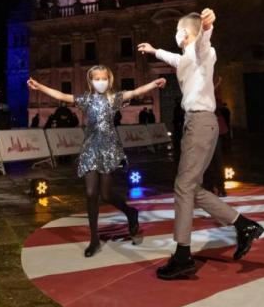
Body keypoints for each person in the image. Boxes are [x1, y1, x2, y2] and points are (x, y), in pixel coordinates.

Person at [138, 9, 264, 280]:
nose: (174, 34)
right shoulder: (185, 59)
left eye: (176, 30)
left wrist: (207, 27)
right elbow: (174, 59)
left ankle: (183, 257)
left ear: (184, 33)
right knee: (193, 188)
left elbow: (203, 44)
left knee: (183, 186)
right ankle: (244, 225)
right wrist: (153, 50)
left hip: (200, 122)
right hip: (197, 125)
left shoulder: (202, 52)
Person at [28, 67, 166, 257]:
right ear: (90, 81)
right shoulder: (86, 100)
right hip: (90, 149)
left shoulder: (114, 98)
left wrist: (153, 83)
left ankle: (130, 212)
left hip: (108, 149)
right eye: (96, 78)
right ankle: (94, 239)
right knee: (91, 193)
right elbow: (62, 95)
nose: (100, 81)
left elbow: (134, 92)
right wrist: (40, 87)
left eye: (103, 78)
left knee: (106, 194)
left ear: (109, 80)